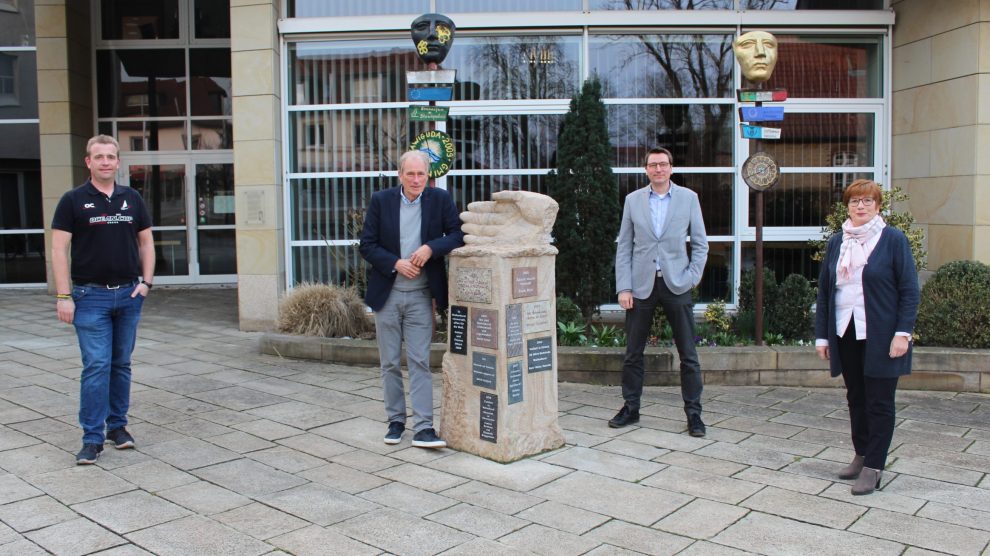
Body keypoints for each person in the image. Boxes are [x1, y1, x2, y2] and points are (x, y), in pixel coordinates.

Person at [51, 135, 155, 465]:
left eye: (111, 156)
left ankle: (117, 428)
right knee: (96, 365)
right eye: (99, 157)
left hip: (128, 295)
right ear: (89, 162)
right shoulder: (73, 200)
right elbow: (58, 250)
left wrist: (147, 283)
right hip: (88, 296)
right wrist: (64, 296)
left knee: (120, 363)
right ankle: (92, 438)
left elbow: (146, 243)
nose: (106, 161)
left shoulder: (132, 198)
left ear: (118, 162)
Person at [815, 179, 919, 495]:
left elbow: (909, 290)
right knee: (856, 398)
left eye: (867, 201)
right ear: (846, 206)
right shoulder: (838, 241)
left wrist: (903, 333)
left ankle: (874, 467)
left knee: (879, 402)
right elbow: (825, 292)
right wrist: (823, 337)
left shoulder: (893, 240)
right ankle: (861, 455)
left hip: (882, 336)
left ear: (878, 206)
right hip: (846, 332)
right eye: (854, 201)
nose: (860, 206)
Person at [360, 150, 464, 448]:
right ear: (400, 175)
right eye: (411, 174)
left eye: (421, 174)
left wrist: (431, 248)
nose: (417, 179)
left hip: (421, 296)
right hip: (388, 294)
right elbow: (367, 244)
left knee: (419, 360)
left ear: (428, 175)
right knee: (390, 362)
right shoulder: (382, 201)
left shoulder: (440, 200)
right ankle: (395, 421)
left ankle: (423, 428)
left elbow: (457, 234)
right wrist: (395, 262)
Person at [611, 147, 709, 436]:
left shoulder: (689, 199)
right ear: (645, 169)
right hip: (640, 286)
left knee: (689, 355)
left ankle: (694, 415)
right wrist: (624, 287)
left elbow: (701, 244)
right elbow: (624, 246)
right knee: (632, 353)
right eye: (653, 165)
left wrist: (691, 278)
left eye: (663, 164)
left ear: (671, 168)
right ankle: (631, 408)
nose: (658, 169)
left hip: (676, 284)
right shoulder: (633, 200)